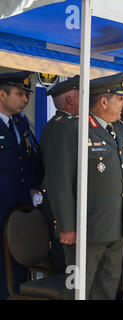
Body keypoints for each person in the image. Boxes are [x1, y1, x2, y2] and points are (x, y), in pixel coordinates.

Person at [45, 72, 123, 299]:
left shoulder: (118, 130)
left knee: (106, 290)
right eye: (120, 98)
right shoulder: (72, 129)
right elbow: (59, 180)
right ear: (103, 101)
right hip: (85, 231)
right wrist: (66, 225)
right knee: (77, 291)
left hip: (115, 228)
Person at [0, 71, 43, 299]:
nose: (25, 99)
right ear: (1, 95)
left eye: (26, 95)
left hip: (19, 210)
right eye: (19, 94)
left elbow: (30, 159)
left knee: (18, 270)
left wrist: (35, 186)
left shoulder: (20, 123)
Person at [40, 75, 80, 274]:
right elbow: (60, 176)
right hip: (63, 210)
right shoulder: (64, 127)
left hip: (69, 208)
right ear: (71, 100)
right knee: (67, 271)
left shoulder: (65, 124)